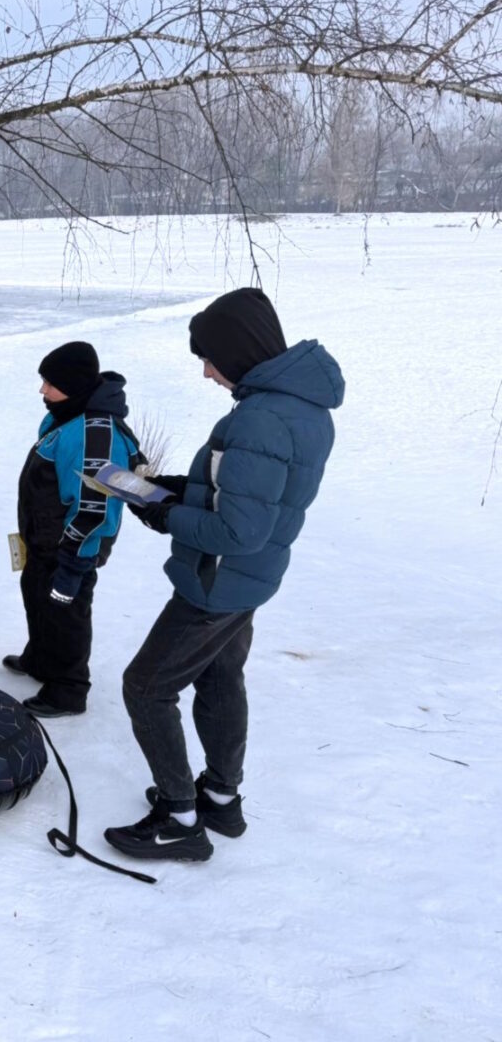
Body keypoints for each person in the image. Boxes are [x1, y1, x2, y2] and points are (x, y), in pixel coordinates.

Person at [104, 288, 343, 862]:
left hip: (218, 581)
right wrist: (178, 490)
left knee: (146, 687)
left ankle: (180, 818)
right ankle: (219, 796)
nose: (208, 372)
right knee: (217, 679)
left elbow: (240, 531)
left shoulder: (262, 419)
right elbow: (253, 495)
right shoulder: (296, 405)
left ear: (238, 352)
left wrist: (165, 513)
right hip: (248, 581)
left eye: (210, 358)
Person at [3, 341, 140, 718]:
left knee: (66, 611)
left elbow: (96, 508)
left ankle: (68, 687)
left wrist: (74, 563)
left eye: (50, 383)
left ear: (75, 386)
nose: (42, 391)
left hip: (71, 549)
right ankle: (42, 660)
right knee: (37, 597)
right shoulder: (67, 415)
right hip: (45, 541)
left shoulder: (96, 435)